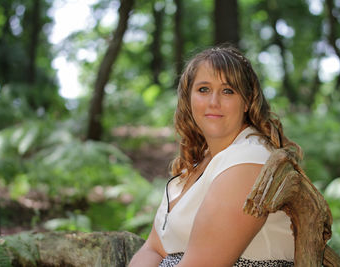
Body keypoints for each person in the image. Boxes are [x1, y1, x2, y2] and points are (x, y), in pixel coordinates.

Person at [129, 46, 302, 267]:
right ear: (189, 98)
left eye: (228, 91)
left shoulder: (249, 160)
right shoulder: (194, 166)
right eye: (203, 89)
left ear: (247, 101)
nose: (214, 102)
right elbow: (153, 248)